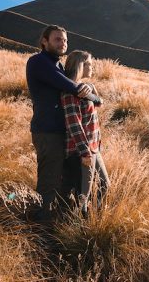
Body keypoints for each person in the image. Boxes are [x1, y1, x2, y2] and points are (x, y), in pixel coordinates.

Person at [26, 25, 98, 224]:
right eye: (57, 39)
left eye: (65, 40)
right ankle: (42, 228)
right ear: (44, 41)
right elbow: (69, 86)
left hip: (60, 133)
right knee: (49, 182)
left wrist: (86, 91)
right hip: (48, 132)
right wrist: (95, 97)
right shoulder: (38, 61)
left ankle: (55, 221)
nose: (63, 43)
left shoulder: (57, 65)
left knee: (62, 182)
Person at [62, 50, 110, 216]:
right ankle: (79, 225)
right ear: (80, 65)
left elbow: (99, 102)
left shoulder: (84, 88)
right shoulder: (69, 91)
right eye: (89, 63)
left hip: (94, 146)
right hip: (82, 151)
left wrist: (90, 88)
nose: (92, 67)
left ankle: (93, 218)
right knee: (83, 196)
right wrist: (85, 152)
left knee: (105, 185)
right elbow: (73, 124)